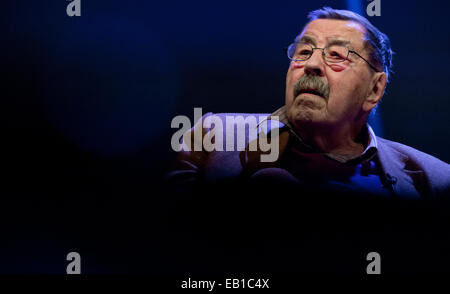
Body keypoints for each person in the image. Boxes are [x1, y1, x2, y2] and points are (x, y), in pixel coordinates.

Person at [166, 7, 450, 273]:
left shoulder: (434, 181)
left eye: (337, 55)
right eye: (304, 51)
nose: (311, 65)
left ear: (375, 89)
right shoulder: (217, 138)